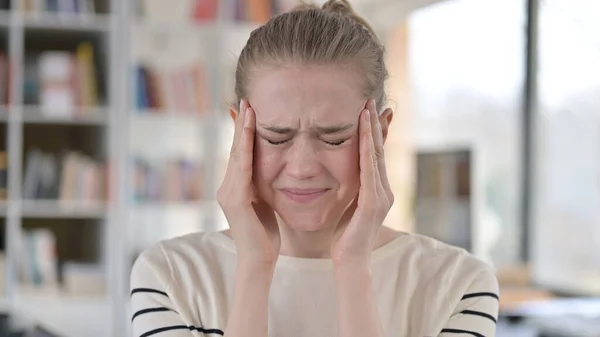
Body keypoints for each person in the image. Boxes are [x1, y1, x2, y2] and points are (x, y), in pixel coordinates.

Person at [130, 1, 500, 336]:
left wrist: (354, 268)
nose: (303, 167)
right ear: (239, 130)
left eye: (334, 137)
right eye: (277, 137)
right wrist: (255, 266)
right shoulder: (169, 277)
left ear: (380, 133)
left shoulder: (459, 286)